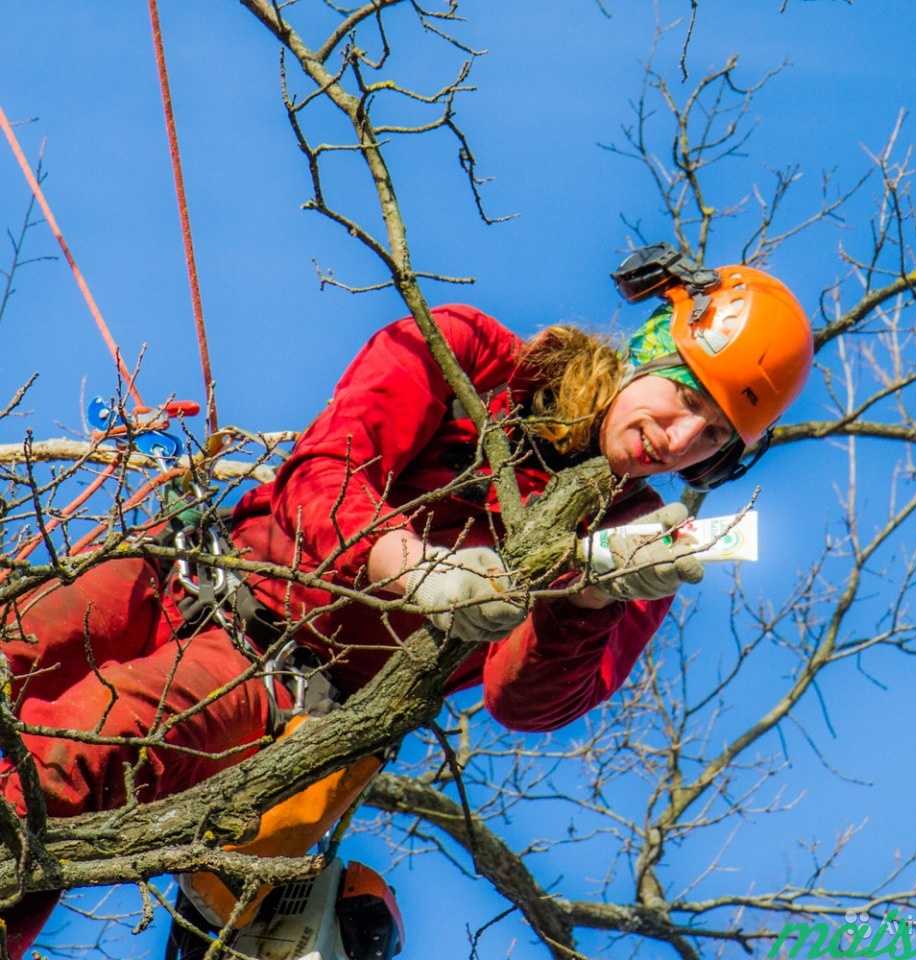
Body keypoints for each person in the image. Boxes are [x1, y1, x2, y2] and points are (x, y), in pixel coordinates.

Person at [0, 261, 813, 956]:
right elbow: (325, 474)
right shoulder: (469, 360)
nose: (679, 440)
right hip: (187, 569)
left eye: (711, 437)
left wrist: (590, 596)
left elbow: (524, 700)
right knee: (11, 642)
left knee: (78, 756)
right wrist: (412, 568)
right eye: (683, 397)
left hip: (273, 681)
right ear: (650, 350)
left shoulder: (635, 545)